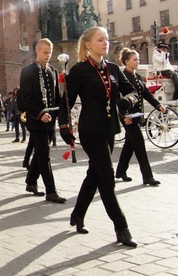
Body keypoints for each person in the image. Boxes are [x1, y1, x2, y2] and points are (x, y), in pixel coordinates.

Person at [58, 26, 139, 247]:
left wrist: (127, 101)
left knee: (94, 174)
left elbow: (132, 90)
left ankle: (77, 214)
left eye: (107, 39)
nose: (106, 43)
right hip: (90, 130)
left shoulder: (113, 68)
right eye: (100, 40)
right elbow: (66, 101)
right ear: (88, 45)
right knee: (106, 175)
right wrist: (65, 127)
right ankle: (121, 228)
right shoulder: (80, 70)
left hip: (110, 129)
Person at [20, 38, 65, 203]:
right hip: (36, 120)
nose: (48, 55)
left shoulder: (53, 71)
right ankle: (51, 191)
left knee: (40, 153)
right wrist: (39, 114)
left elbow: (56, 97)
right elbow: (25, 98)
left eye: (50, 53)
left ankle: (31, 182)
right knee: (44, 155)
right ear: (37, 51)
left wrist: (62, 115)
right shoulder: (28, 71)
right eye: (45, 52)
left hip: (50, 120)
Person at [116, 48, 163, 186]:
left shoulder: (137, 77)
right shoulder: (122, 77)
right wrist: (123, 115)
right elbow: (118, 100)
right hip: (127, 117)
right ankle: (148, 177)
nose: (138, 62)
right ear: (126, 61)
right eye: (134, 59)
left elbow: (146, 94)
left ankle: (120, 171)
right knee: (140, 146)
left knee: (130, 145)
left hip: (137, 116)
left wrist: (158, 105)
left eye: (138, 59)